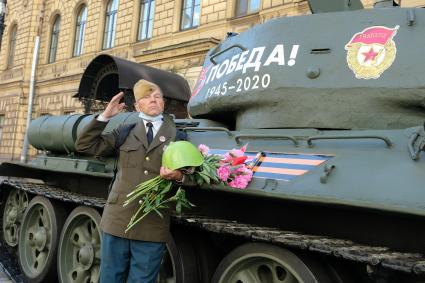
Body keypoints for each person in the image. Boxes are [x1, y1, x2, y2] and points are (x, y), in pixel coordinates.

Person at [75, 79, 185, 283]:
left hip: (152, 224)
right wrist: (105, 116)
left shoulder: (177, 136)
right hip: (118, 220)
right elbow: (84, 146)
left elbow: (191, 175)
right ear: (137, 105)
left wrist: (180, 176)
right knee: (110, 278)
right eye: (146, 96)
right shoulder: (125, 131)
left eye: (157, 96)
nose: (153, 99)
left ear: (163, 103)